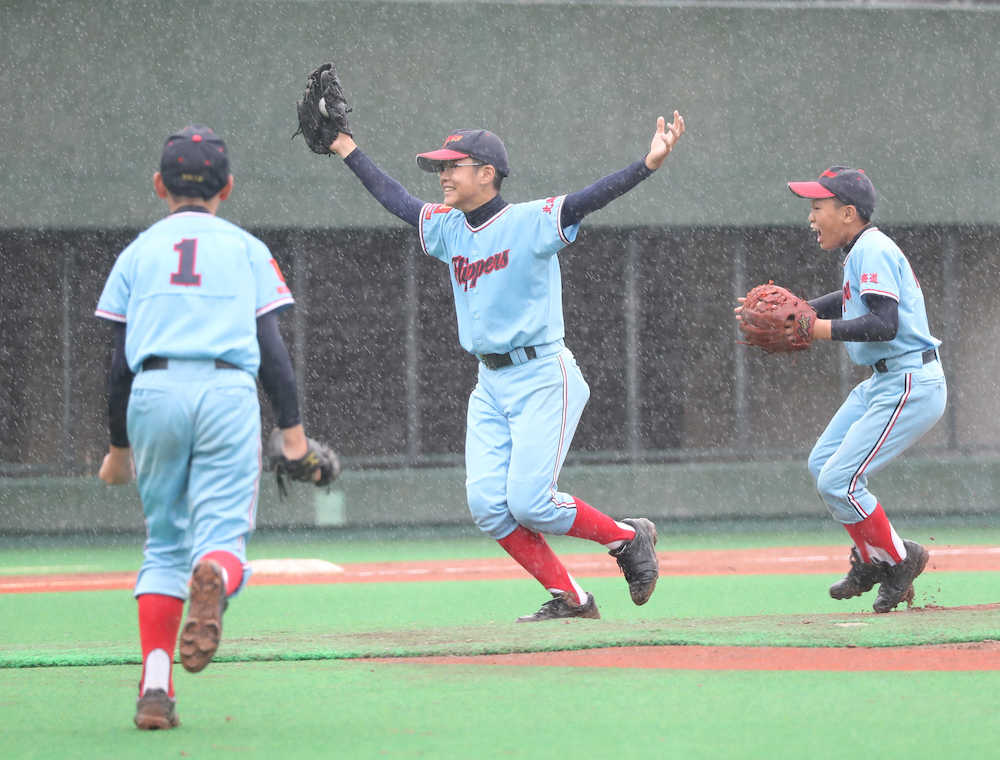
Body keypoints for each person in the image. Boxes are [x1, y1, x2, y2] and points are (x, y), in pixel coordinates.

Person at [308, 106, 684, 622]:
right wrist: (345, 147)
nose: (442, 174)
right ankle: (574, 601)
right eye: (441, 166)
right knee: (489, 506)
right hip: (489, 384)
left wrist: (647, 164)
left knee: (531, 503)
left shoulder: (530, 221)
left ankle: (628, 538)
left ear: (486, 174)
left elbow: (589, 198)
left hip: (542, 374)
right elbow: (397, 200)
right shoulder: (450, 229)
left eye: (453, 165)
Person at [96, 125, 319, 729]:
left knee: (163, 543)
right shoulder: (246, 248)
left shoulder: (138, 252)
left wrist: (118, 446)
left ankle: (156, 686)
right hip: (225, 389)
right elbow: (272, 350)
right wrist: (292, 432)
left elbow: (118, 364)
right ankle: (216, 575)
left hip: (154, 388)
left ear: (158, 185)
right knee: (221, 537)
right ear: (228, 188)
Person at [748, 165, 946, 613]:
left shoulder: (872, 249)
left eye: (818, 207)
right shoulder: (862, 250)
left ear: (849, 212)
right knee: (824, 466)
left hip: (908, 380)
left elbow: (882, 322)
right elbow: (852, 301)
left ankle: (897, 559)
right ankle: (873, 557)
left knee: (842, 478)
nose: (811, 217)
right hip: (885, 379)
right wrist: (794, 314)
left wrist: (810, 326)